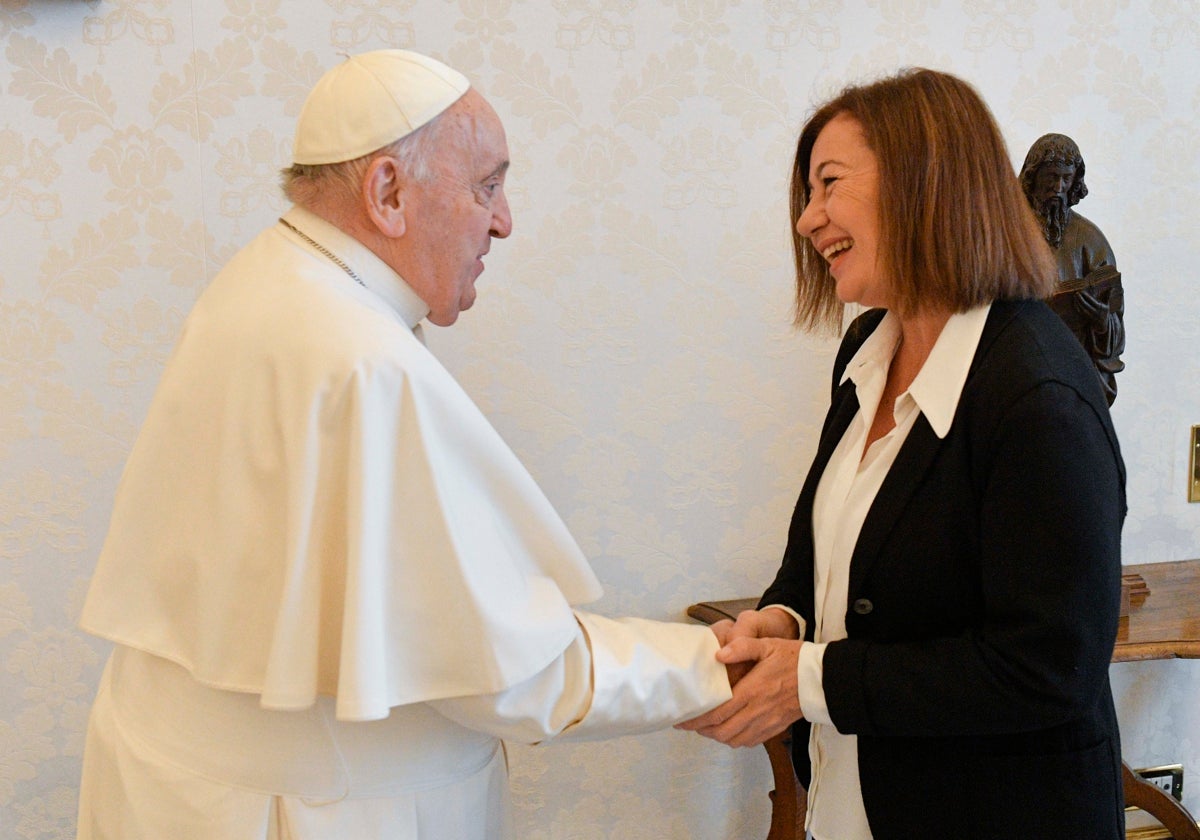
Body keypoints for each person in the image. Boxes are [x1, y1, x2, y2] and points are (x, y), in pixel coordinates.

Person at [75, 50, 733, 840]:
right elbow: (510, 675)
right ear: (387, 191)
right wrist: (709, 665)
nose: (504, 219)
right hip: (315, 811)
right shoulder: (359, 359)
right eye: (486, 185)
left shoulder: (268, 280)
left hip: (185, 786)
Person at [678, 68, 1126, 839]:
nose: (807, 220)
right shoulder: (864, 354)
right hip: (852, 811)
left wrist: (813, 680)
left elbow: (1048, 668)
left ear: (927, 182)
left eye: (828, 184)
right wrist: (784, 623)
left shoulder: (1040, 398)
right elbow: (821, 551)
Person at [1019, 132, 1125, 405]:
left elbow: (1115, 321)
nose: (1058, 187)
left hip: (1073, 376)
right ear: (1033, 177)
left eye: (1066, 179)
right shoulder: (1006, 234)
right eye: (1051, 177)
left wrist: (1103, 321)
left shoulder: (1090, 240)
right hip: (1018, 369)